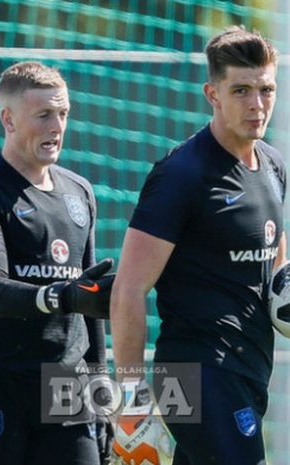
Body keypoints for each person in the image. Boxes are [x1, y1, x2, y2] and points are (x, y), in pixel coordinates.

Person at [110, 26, 286, 465]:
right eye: (241, 90)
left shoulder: (274, 166)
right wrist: (129, 398)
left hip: (249, 366)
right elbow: (128, 289)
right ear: (213, 93)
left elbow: (277, 263)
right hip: (193, 372)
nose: (257, 104)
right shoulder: (181, 174)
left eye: (266, 90)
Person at [0, 61, 115, 465]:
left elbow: (89, 303)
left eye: (63, 114)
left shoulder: (80, 192)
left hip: (65, 387)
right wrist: (61, 297)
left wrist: (101, 390)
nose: (56, 126)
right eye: (43, 115)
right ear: (8, 119)